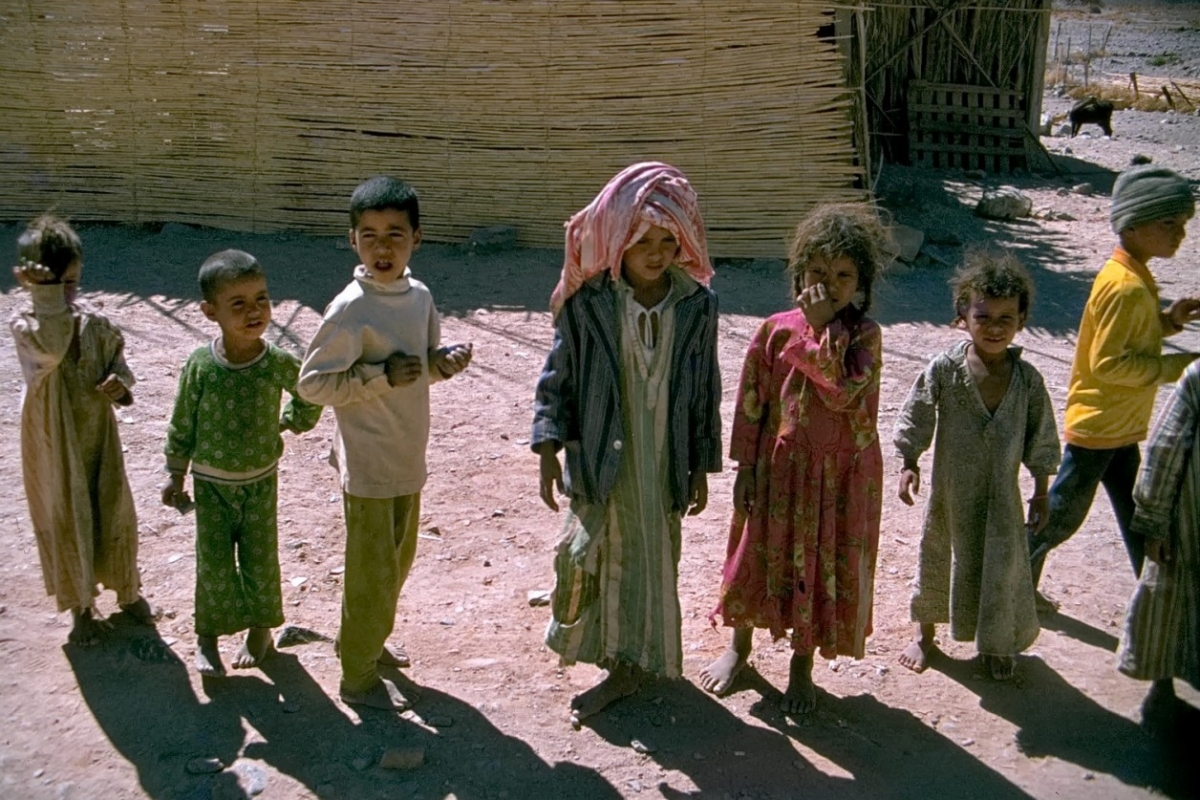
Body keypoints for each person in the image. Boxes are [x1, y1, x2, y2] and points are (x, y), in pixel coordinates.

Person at [532, 162, 721, 725]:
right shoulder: (589, 304)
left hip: (663, 461)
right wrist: (547, 446)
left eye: (669, 240)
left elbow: (705, 388)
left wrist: (701, 464)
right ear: (619, 239)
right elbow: (557, 376)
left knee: (652, 559)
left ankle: (631, 665)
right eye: (644, 241)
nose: (658, 252)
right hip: (599, 458)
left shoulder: (696, 305)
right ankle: (614, 656)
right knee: (587, 555)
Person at [701, 203, 887, 714]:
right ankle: (738, 649)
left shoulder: (865, 337)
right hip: (779, 473)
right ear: (799, 272)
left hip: (837, 479)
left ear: (861, 283)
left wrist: (825, 328)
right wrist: (744, 468)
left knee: (820, 562)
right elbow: (751, 404)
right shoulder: (774, 331)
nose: (829, 284)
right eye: (818, 272)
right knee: (755, 555)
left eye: (843, 275)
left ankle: (801, 670)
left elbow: (843, 390)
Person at [299, 176, 472, 711]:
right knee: (370, 573)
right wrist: (375, 375)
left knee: (395, 564)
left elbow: (416, 370)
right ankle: (356, 676)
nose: (382, 247)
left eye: (394, 234)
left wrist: (441, 366)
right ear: (352, 241)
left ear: (416, 239)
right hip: (369, 464)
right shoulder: (351, 308)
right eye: (369, 235)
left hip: (406, 457)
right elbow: (312, 384)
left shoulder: (418, 297)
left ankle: (369, 644)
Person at [1029, 165, 1199, 608]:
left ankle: (1154, 600)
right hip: (1099, 428)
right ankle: (1013, 586)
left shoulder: (1134, 274)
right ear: (1135, 223)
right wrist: (1177, 366)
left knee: (1138, 515)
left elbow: (1131, 338)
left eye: (1183, 225)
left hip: (1118, 426)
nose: (1180, 234)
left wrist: (1170, 321)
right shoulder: (1125, 287)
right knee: (1062, 516)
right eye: (1170, 224)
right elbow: (1109, 364)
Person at [894, 252, 1061, 681]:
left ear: (1022, 320)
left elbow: (1041, 438)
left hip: (1002, 499)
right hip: (951, 491)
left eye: (1007, 317)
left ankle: (996, 642)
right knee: (938, 556)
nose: (995, 327)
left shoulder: (1027, 380)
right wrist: (909, 461)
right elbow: (917, 414)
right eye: (983, 316)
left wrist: (1041, 491)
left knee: (1000, 569)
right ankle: (925, 633)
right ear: (961, 317)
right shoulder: (946, 370)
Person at [161, 250, 322, 676]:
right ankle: (207, 639)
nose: (255, 311)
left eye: (262, 299)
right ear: (209, 311)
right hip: (211, 483)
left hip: (260, 482)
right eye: (239, 304)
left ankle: (260, 630)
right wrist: (175, 472)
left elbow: (309, 391)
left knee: (260, 559)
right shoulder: (200, 365)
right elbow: (182, 420)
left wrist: (290, 423)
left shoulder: (275, 362)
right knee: (213, 563)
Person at [10, 214, 157, 646]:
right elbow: (53, 349)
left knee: (112, 507)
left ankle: (127, 591)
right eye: (56, 284)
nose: (67, 292)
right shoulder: (27, 328)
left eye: (71, 282)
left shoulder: (95, 325)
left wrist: (120, 386)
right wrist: (47, 299)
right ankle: (80, 607)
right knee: (67, 514)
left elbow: (120, 365)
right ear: (31, 285)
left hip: (98, 436)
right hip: (55, 440)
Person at [1117, 360, 1200, 730]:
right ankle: (1161, 688)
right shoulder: (1198, 378)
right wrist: (1153, 519)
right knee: (1170, 605)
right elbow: (1164, 450)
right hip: (1192, 525)